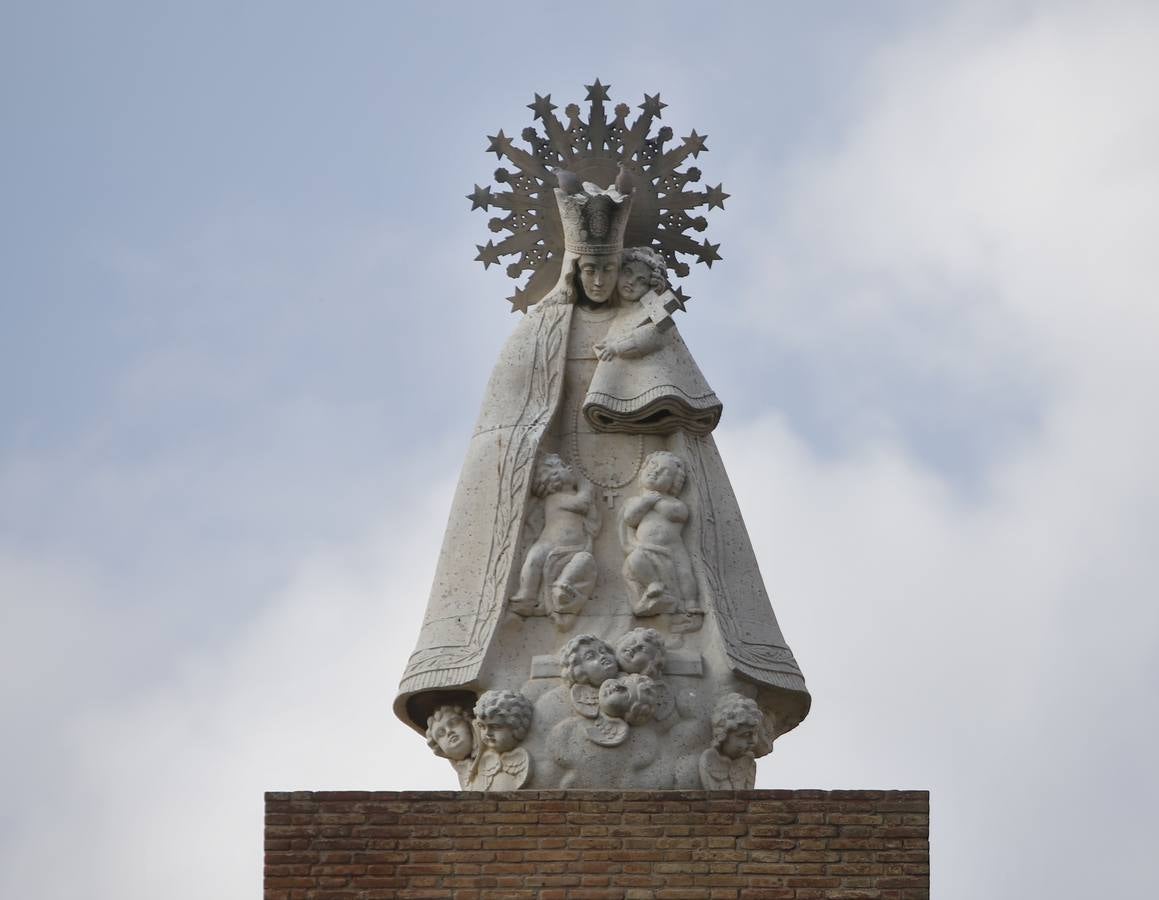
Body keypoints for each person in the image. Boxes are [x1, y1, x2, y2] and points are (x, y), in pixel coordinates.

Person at [510, 453, 599, 629]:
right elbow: (582, 504)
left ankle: (562, 590)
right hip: (550, 544)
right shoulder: (556, 498)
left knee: (581, 562)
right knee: (534, 559)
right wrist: (585, 486)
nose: (569, 469)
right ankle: (526, 596)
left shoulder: (566, 495)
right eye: (563, 468)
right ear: (555, 479)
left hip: (573, 547)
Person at [620, 451, 700, 624]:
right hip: (646, 549)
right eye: (653, 465)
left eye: (664, 471)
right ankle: (653, 584)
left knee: (685, 574)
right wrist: (646, 502)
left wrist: (656, 502)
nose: (655, 472)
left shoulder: (674, 503)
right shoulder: (637, 501)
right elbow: (630, 518)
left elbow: (678, 514)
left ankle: (691, 603)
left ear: (673, 484)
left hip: (673, 550)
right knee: (635, 560)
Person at [466, 690, 533, 791]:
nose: (487, 733)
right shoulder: (484, 759)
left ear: (516, 726)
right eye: (482, 726)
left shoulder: (523, 756)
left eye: (495, 726)